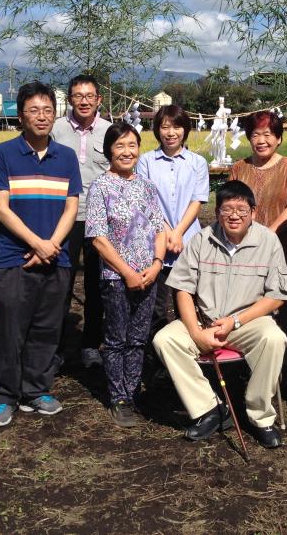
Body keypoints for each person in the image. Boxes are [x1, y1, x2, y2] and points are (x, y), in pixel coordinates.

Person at [153, 180, 287, 448]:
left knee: (274, 338)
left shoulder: (268, 241)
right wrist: (196, 332)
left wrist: (236, 321)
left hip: (246, 323)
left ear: (253, 211)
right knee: (165, 339)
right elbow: (182, 288)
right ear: (217, 213)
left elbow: (277, 297)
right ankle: (210, 410)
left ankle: (260, 416)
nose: (234, 216)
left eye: (241, 209)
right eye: (227, 209)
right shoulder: (201, 240)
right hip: (205, 323)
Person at [0, 82, 80, 428]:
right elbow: (2, 208)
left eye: (47, 110)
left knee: (46, 327)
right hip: (14, 257)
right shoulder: (4, 154)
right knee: (10, 329)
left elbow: (72, 207)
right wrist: (36, 244)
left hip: (57, 257)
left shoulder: (66, 157)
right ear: (20, 115)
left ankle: (36, 389)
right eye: (33, 110)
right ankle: (4, 396)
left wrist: (51, 245)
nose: (41, 117)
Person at [85, 122, 167, 428]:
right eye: (120, 146)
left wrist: (157, 263)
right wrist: (127, 272)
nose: (127, 151)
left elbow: (160, 228)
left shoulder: (146, 187)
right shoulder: (100, 187)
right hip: (116, 277)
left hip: (149, 275)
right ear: (109, 150)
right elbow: (97, 237)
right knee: (117, 338)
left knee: (138, 338)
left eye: (132, 145)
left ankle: (133, 392)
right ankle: (118, 397)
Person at [228, 111, 287, 383]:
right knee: (248, 307)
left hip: (283, 249)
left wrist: (267, 234)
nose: (261, 140)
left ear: (279, 138)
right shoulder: (239, 168)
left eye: (268, 134)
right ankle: (252, 364)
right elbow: (232, 206)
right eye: (255, 134)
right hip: (246, 252)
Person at [136, 105, 210, 370]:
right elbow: (148, 200)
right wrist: (167, 232)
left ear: (185, 130)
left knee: (187, 304)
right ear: (157, 130)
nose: (170, 133)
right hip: (157, 242)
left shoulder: (197, 163)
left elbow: (197, 200)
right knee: (156, 306)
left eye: (176, 126)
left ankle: (189, 362)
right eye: (165, 126)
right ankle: (156, 365)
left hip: (189, 242)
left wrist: (178, 232)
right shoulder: (145, 161)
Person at [51, 74, 111, 369]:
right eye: (78, 95)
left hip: (100, 220)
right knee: (60, 282)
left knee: (97, 284)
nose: (84, 101)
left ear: (99, 99)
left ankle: (91, 345)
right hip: (65, 218)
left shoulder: (110, 131)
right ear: (70, 99)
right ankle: (56, 347)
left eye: (89, 95)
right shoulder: (57, 128)